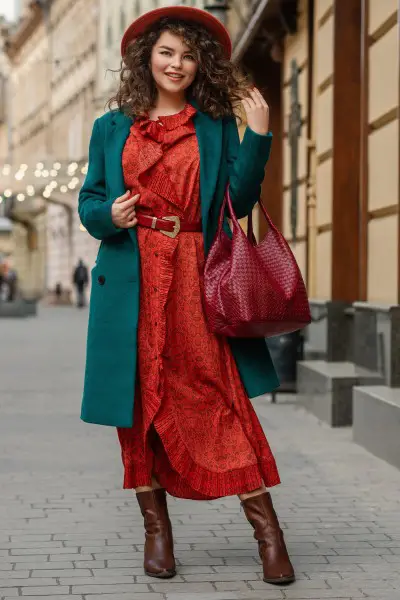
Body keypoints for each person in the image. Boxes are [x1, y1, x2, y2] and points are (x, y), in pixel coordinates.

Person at [78, 6, 294, 586]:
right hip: (132, 281)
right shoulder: (112, 127)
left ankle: (268, 534)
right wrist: (109, 214)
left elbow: (241, 198)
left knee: (219, 397)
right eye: (166, 52)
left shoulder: (217, 123)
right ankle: (157, 533)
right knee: (138, 405)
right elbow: (89, 202)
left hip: (197, 275)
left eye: (188, 54)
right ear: (147, 58)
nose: (176, 63)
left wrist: (262, 133)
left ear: (201, 63)